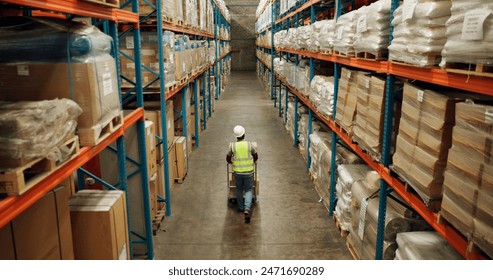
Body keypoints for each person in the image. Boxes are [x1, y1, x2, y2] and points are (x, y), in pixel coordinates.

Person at [226, 125, 258, 223]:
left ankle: (240, 207)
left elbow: (227, 158)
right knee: (248, 190)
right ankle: (247, 209)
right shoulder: (249, 145)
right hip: (249, 171)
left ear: (236, 136)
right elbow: (255, 156)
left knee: (239, 189)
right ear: (244, 134)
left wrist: (233, 162)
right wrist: (252, 161)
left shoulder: (233, 146)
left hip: (238, 172)